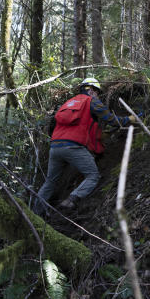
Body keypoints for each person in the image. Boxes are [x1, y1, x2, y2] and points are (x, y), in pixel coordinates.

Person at [33, 77, 135, 214]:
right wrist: (129, 119)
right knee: (93, 175)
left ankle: (35, 213)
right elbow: (111, 120)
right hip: (73, 147)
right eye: (97, 92)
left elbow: (62, 126)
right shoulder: (91, 101)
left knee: (50, 181)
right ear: (92, 90)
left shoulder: (67, 103)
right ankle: (72, 199)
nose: (97, 95)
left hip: (55, 147)